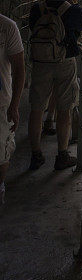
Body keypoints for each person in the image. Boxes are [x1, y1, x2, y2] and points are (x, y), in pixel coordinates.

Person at [28, 0, 82, 171]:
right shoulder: (70, 9)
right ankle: (62, 155)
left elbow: (31, 28)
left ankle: (36, 154)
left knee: (36, 108)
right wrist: (73, 2)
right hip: (64, 61)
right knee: (65, 108)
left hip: (40, 62)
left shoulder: (37, 9)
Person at [0, 13, 25, 204]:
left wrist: (14, 105)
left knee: (2, 154)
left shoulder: (7, 27)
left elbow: (19, 68)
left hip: (2, 105)